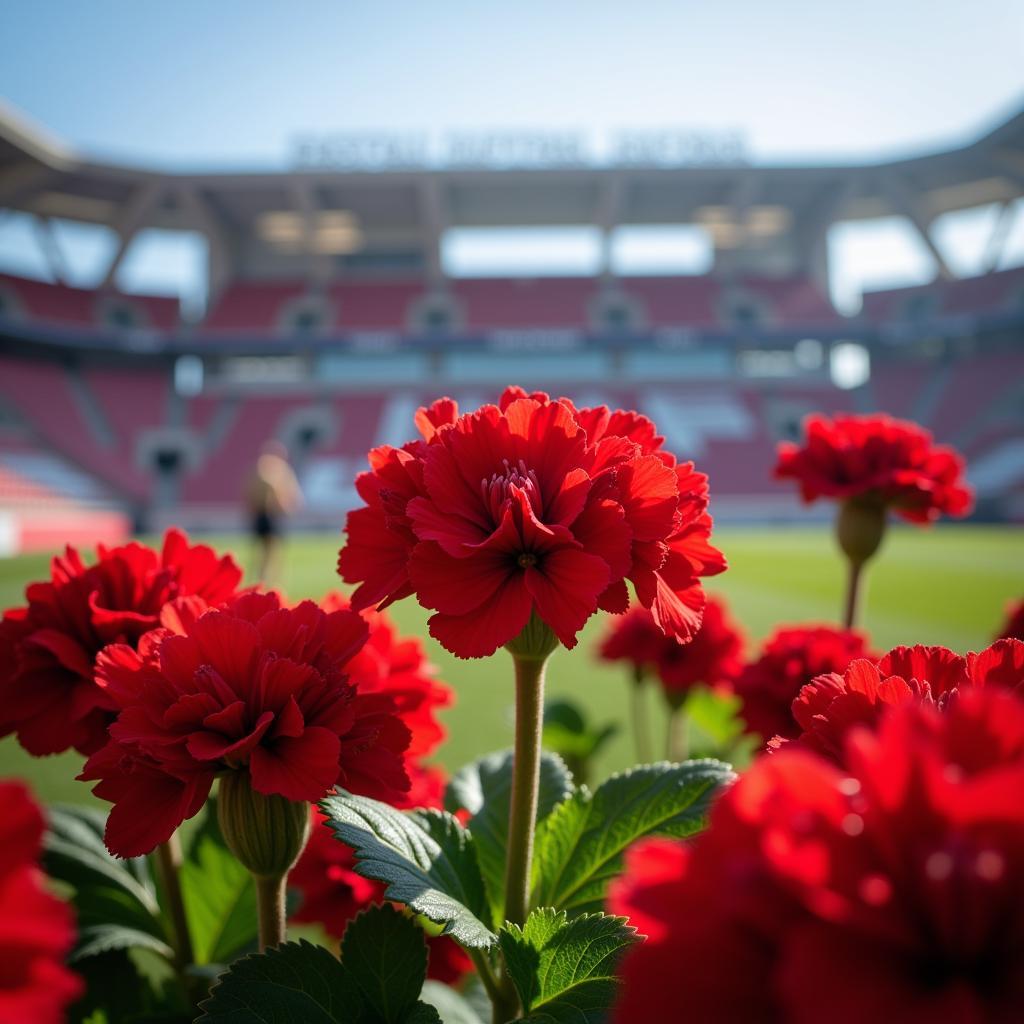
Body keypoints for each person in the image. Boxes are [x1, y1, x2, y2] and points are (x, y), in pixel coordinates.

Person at [245, 440, 302, 584]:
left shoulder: (259, 470)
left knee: (263, 550)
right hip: (270, 516)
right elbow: (281, 493)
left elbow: (249, 493)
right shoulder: (274, 471)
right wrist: (286, 508)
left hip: (261, 515)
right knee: (271, 550)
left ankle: (261, 578)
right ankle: (267, 579)